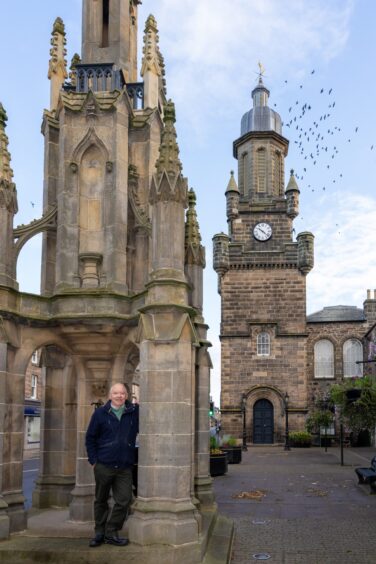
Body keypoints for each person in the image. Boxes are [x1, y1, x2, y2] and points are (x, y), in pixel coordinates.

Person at [85, 382, 139, 548]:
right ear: (110, 396)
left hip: (124, 467)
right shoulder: (100, 413)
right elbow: (90, 438)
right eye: (115, 393)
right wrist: (94, 461)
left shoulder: (134, 412)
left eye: (122, 393)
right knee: (100, 500)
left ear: (127, 395)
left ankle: (111, 531)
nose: (119, 396)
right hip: (104, 465)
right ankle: (99, 533)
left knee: (124, 501)